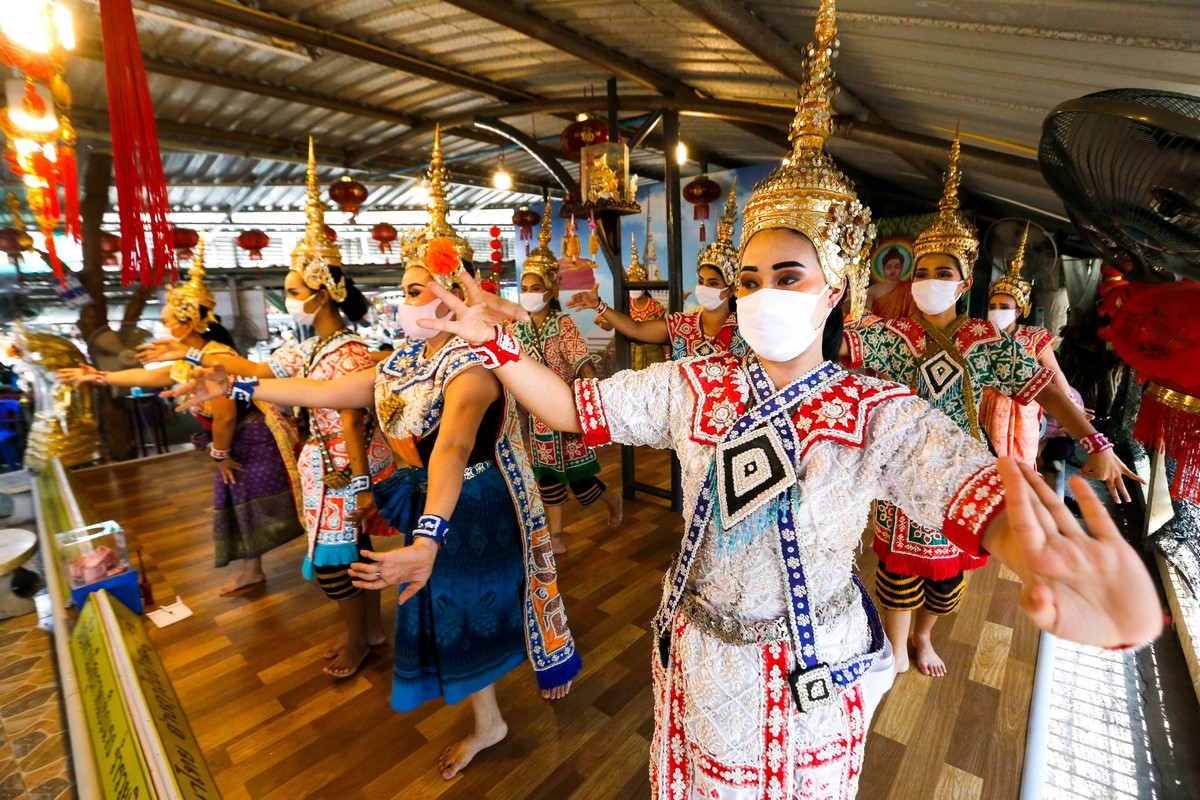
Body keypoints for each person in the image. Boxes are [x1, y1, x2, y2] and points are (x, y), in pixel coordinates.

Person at [337, 5, 1161, 795]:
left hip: (809, 667)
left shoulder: (876, 410)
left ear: (836, 287)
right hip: (697, 652)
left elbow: (971, 493)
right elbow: (570, 410)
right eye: (750, 279)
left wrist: (1043, 557)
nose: (763, 293)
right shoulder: (695, 383)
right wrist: (493, 339)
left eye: (789, 277)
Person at [168, 132, 581, 781]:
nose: (404, 301)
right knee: (450, 610)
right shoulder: (404, 361)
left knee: (482, 604)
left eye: (418, 291)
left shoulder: (472, 368)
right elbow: (326, 390)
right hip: (433, 507)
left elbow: (450, 448)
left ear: (457, 299)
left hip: (475, 503)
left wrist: (429, 532)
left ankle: (501, 703)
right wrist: (238, 384)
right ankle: (489, 718)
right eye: (405, 288)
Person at [841, 126, 1141, 677]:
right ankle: (893, 654)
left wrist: (1093, 439)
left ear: (963, 283)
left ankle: (924, 639)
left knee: (947, 583)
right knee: (897, 576)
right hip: (899, 473)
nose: (930, 281)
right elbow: (834, 345)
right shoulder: (893, 333)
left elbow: (1046, 388)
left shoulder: (984, 339)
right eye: (923, 272)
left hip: (961, 472)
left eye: (943, 273)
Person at [138, 142, 396, 678]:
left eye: (294, 289)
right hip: (330, 465)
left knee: (336, 564)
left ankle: (357, 641)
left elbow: (350, 418)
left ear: (322, 295)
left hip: (344, 468)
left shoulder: (344, 351)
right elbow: (252, 367)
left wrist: (361, 482)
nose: (288, 298)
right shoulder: (308, 349)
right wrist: (193, 353)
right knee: (354, 553)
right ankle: (369, 632)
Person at [58, 237, 303, 596]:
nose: (164, 329)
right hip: (236, 440)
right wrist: (98, 377)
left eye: (168, 321)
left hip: (250, 438)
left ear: (189, 323)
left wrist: (220, 454)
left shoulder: (213, 355)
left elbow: (225, 415)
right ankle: (256, 569)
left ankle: (320, 553)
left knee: (262, 501)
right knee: (238, 503)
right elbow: (152, 376)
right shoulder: (192, 358)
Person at [512, 205, 622, 554]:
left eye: (535, 286)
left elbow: (584, 367)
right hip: (538, 417)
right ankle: (556, 536)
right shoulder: (518, 328)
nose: (528, 291)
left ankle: (612, 500)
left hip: (567, 412)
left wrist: (588, 413)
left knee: (581, 483)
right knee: (546, 477)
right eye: (524, 286)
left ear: (549, 289)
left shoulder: (563, 324)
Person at [567, 182, 747, 360]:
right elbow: (635, 329)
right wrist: (599, 305)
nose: (704, 287)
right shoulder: (683, 325)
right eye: (701, 281)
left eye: (713, 283)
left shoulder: (746, 329)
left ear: (731, 289)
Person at [979, 223, 1084, 466]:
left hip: (1023, 412)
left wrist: (1072, 408)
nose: (996, 312)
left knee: (1020, 467)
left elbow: (1055, 375)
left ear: (1019, 311)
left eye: (1004, 308)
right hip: (984, 407)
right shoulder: (980, 335)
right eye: (993, 306)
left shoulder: (1035, 337)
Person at [866, 245, 920, 320]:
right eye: (889, 267)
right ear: (883, 268)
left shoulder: (909, 289)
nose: (893, 271)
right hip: (878, 330)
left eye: (897, 267)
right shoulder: (872, 290)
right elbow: (866, 315)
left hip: (902, 329)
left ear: (902, 267)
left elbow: (914, 317)